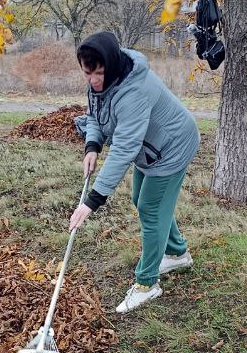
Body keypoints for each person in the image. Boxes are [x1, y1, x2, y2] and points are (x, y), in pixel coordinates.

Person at [70, 30, 200, 314]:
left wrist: (93, 200)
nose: (92, 81)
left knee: (151, 210)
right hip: (151, 148)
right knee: (142, 200)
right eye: (87, 73)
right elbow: (95, 114)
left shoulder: (134, 91)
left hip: (172, 147)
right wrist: (92, 145)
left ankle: (146, 284)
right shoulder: (101, 80)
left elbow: (124, 149)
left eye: (98, 74)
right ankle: (177, 253)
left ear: (112, 67)